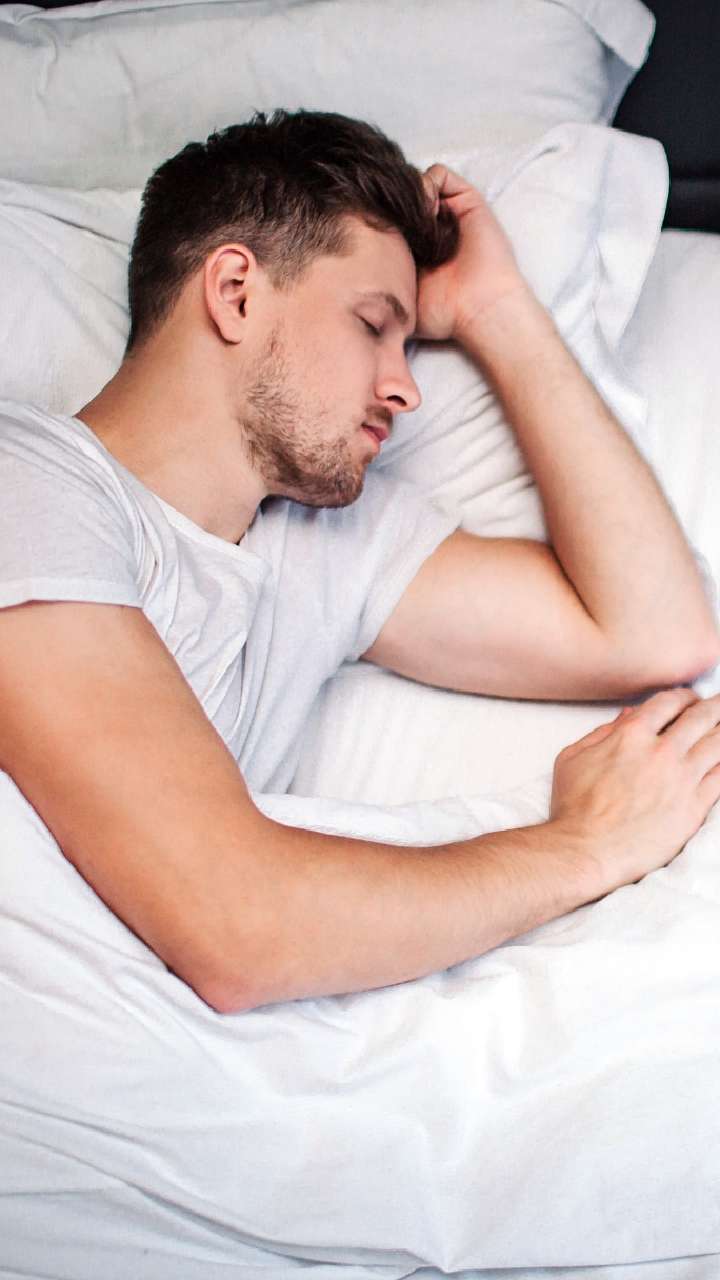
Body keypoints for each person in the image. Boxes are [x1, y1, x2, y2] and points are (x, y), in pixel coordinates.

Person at [1, 107, 720, 1016]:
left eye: (409, 345)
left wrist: (498, 313)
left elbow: (654, 632)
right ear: (236, 292)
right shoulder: (28, 480)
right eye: (373, 324)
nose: (405, 386)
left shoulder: (322, 547)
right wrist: (587, 845)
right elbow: (237, 927)